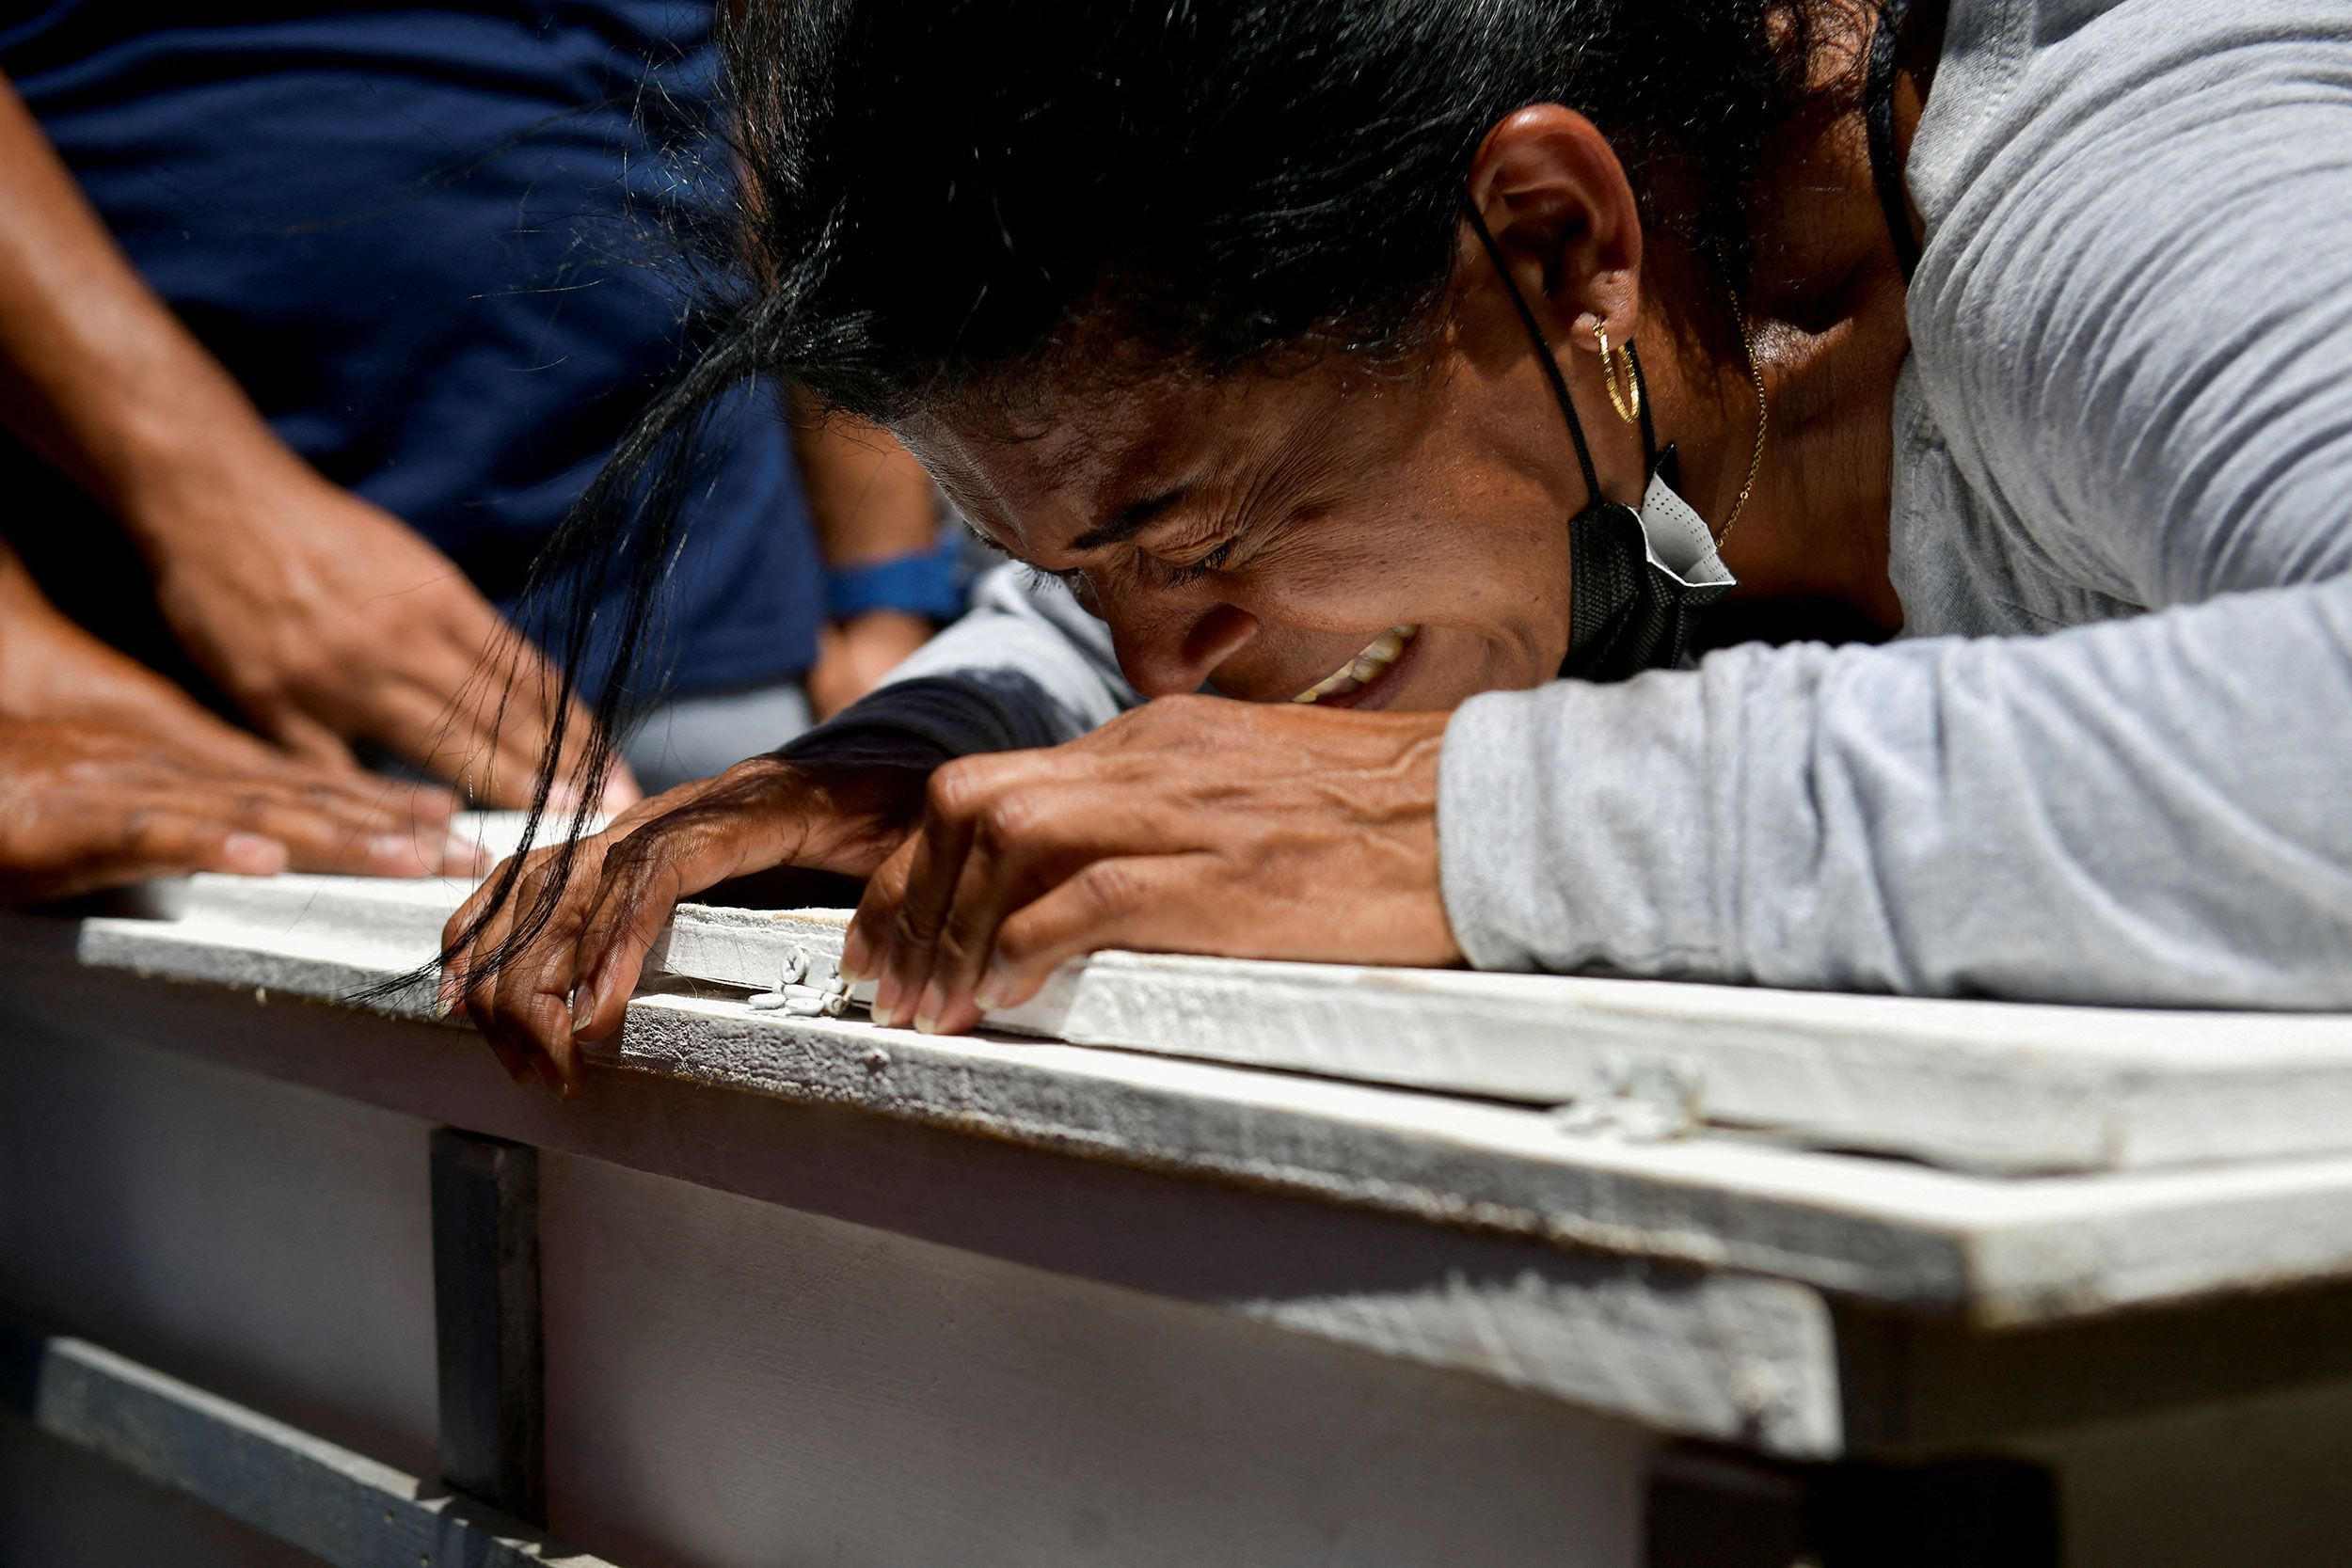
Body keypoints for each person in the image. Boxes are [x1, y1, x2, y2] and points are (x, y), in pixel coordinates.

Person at [443, 0, 2352, 1094]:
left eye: (1187, 537)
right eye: (1077, 568)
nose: (1152, 667)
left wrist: (1440, 820)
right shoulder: (1566, 417)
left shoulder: (2115, 179)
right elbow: (1089, 614)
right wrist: (923, 755)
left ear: (1544, 239)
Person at [0, 1, 946, 820]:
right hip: (211, 657)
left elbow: (796, 77)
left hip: (720, 620)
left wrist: (886, 594)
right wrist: (204, 502)